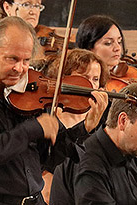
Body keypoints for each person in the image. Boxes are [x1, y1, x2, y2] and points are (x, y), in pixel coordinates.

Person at [0, 16, 107, 205]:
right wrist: (33, 128)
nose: (20, 68)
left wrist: (85, 128)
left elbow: (48, 159)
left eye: (26, 60)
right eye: (12, 59)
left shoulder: (28, 92)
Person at [38, 48, 110, 203]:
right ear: (64, 79)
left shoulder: (103, 118)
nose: (91, 85)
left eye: (96, 79)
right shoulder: (47, 115)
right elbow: (46, 167)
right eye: (84, 78)